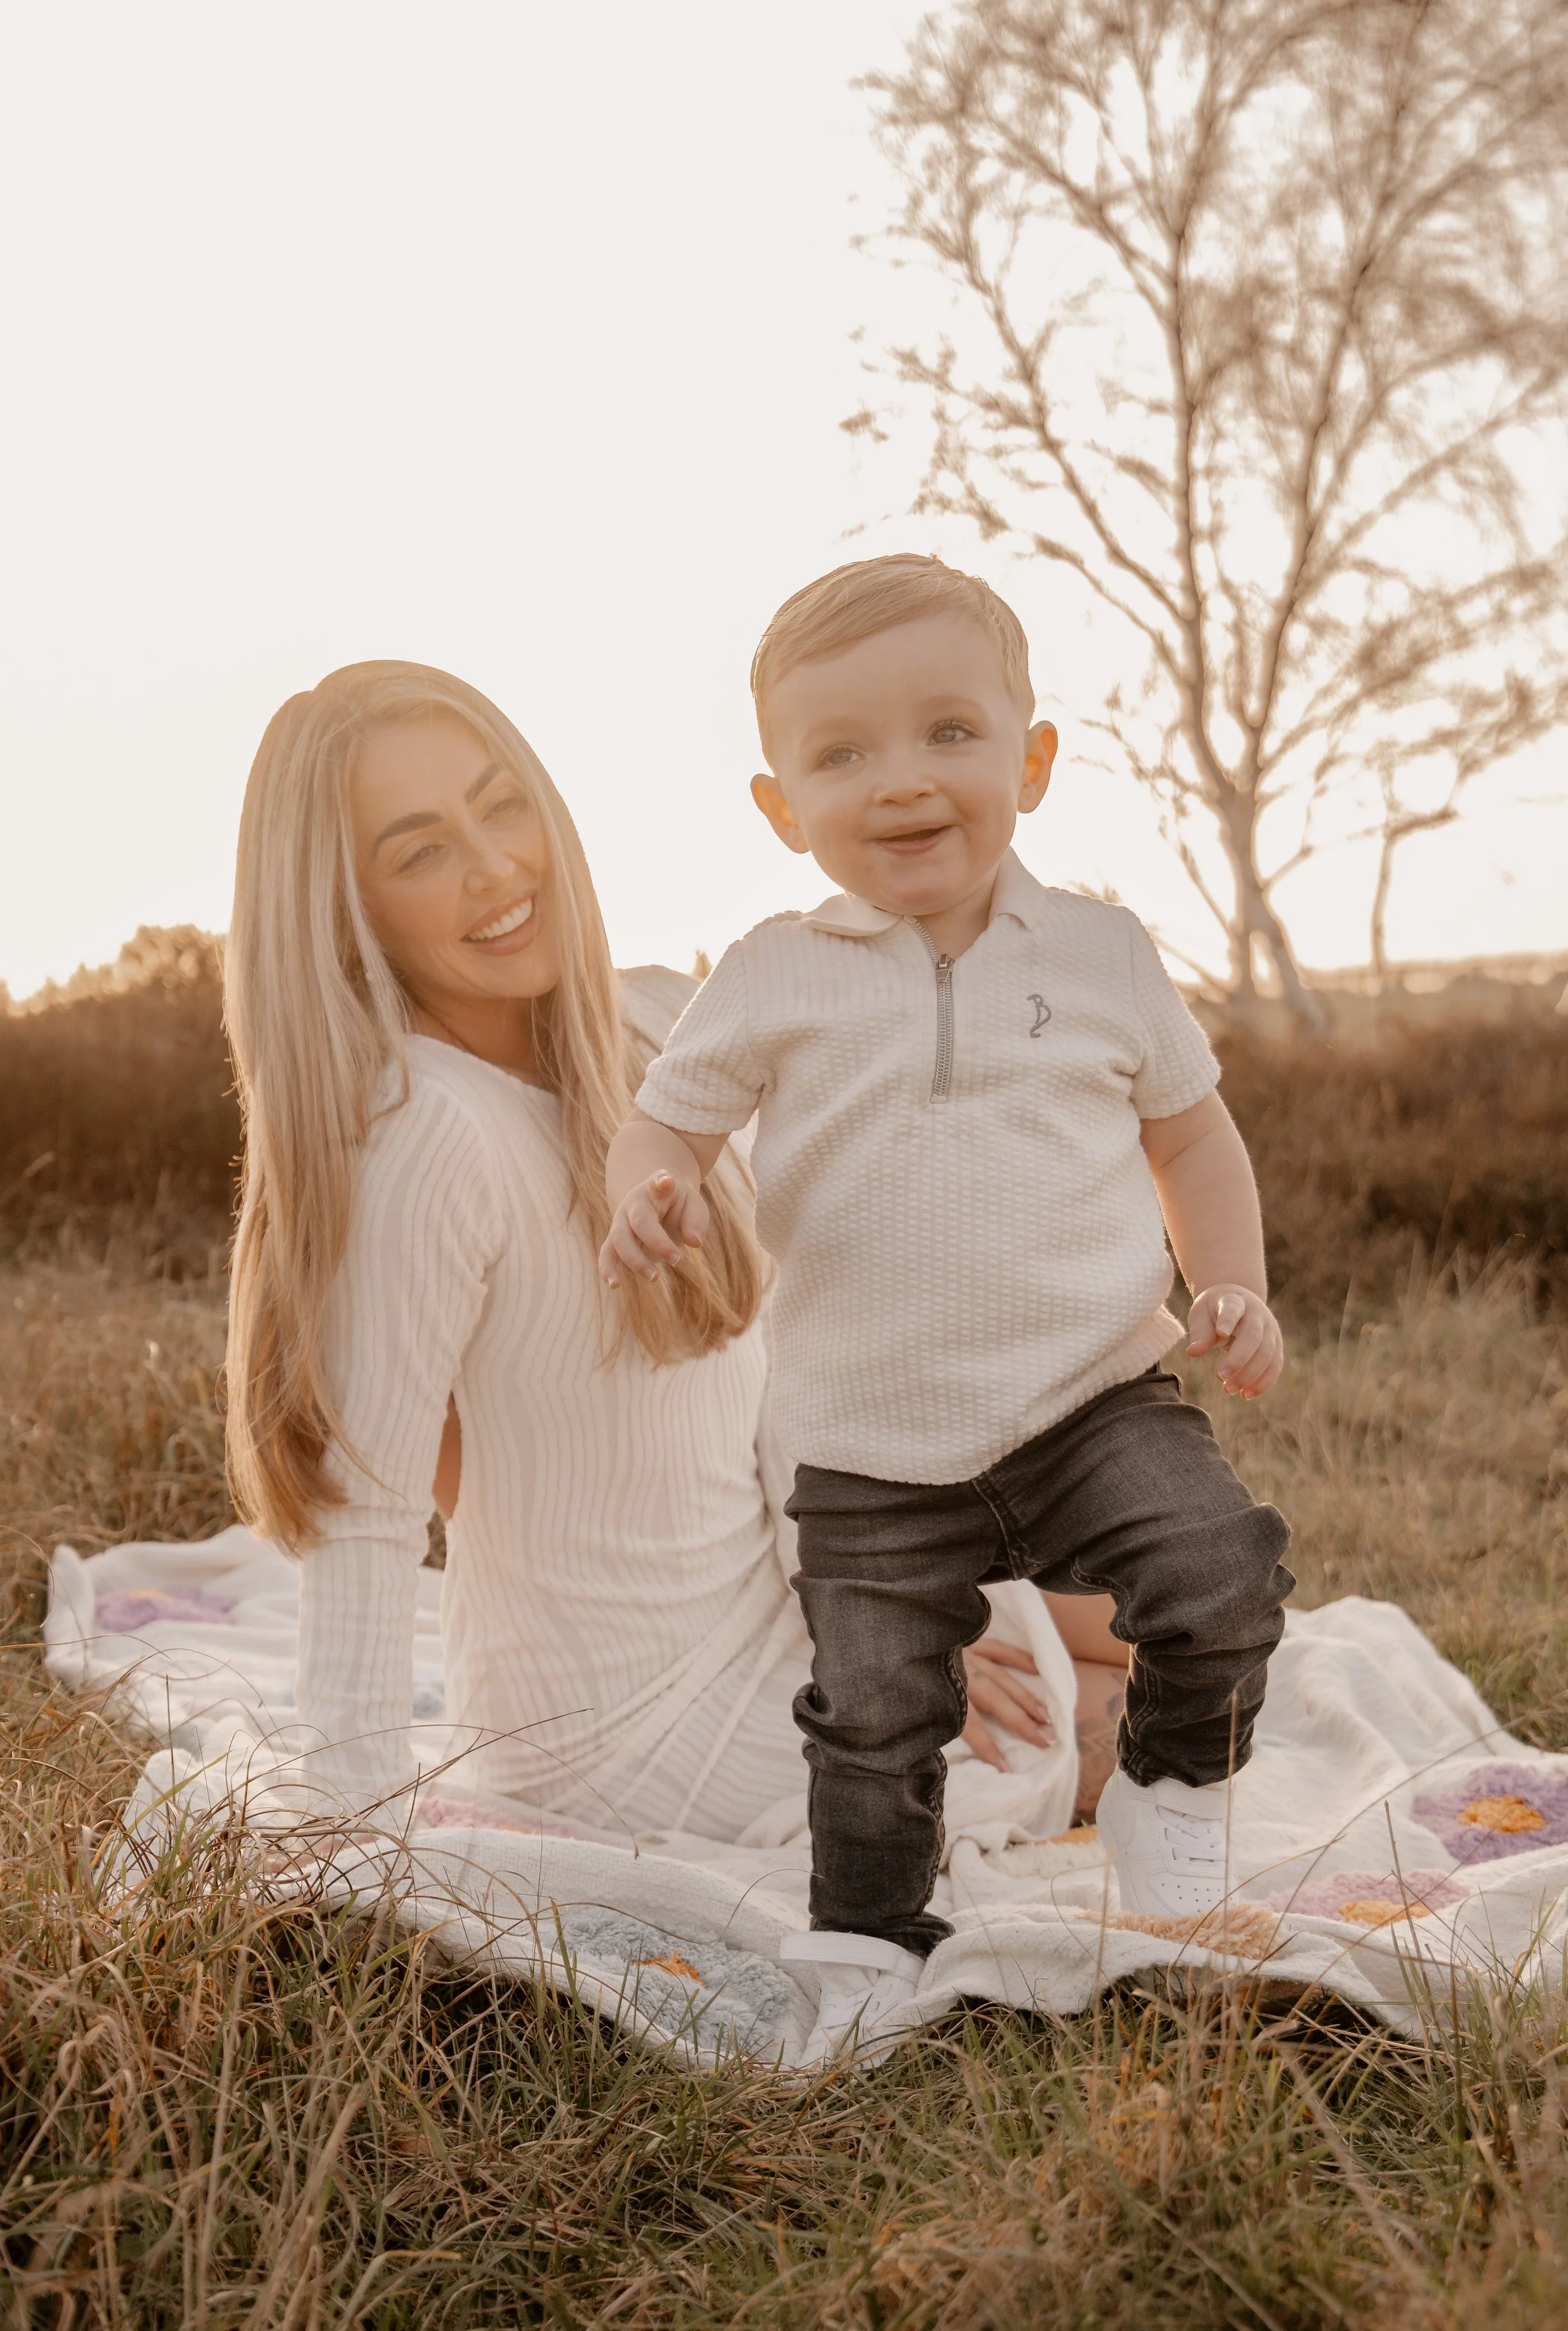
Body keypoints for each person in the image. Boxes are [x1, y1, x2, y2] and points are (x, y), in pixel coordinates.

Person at [221, 657, 1123, 1860]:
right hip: (624, 1728)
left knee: (1148, 1598)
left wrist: (876, 1614)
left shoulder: (655, 1023)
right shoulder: (428, 1134)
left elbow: (795, 1359)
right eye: (421, 852)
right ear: (349, 911)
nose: (496, 868)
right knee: (1133, 1712)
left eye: (502, 806)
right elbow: (366, 1517)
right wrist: (350, 1846)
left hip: (778, 1588)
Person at [601, 555, 1295, 2061]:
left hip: (1088, 1398)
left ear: (1029, 763)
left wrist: (1228, 1279)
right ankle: (869, 1931)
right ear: (782, 808)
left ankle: (1171, 1800)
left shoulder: (1104, 956)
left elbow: (1190, 1137)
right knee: (871, 1710)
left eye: (948, 733)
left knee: (1220, 1571)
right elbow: (666, 1119)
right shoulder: (772, 974)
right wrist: (647, 1185)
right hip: (868, 1442)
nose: (902, 780)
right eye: (843, 753)